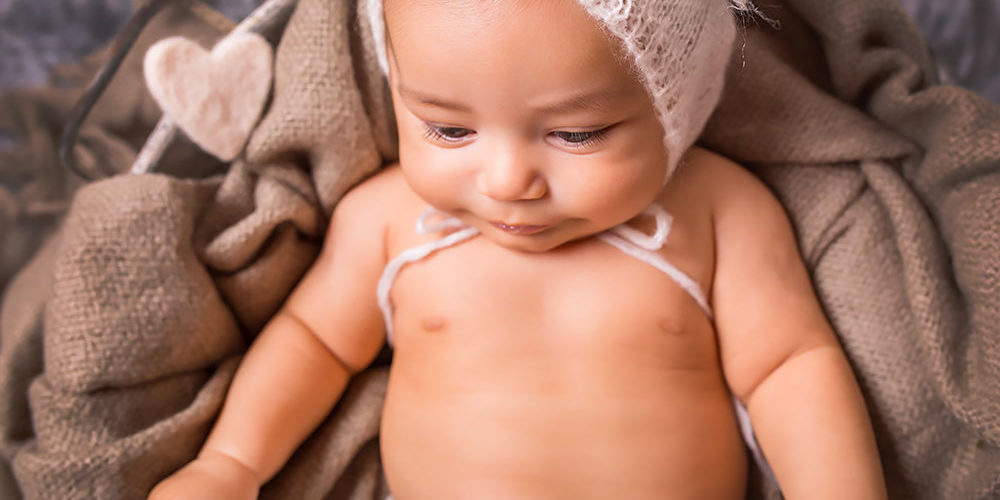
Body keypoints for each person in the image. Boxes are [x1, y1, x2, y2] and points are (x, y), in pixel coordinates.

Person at [150, 0, 888, 498]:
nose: (507, 181)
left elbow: (790, 367)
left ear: (675, 106)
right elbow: (313, 341)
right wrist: (230, 465)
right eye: (447, 129)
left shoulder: (717, 214)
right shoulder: (387, 220)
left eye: (576, 134)